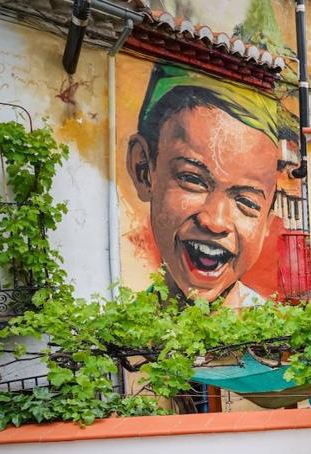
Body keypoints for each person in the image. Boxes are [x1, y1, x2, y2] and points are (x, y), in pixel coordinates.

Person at [126, 63, 296, 306]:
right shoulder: (120, 335)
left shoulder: (272, 336)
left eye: (247, 202)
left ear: (267, 224)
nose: (215, 222)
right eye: (193, 180)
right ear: (143, 169)